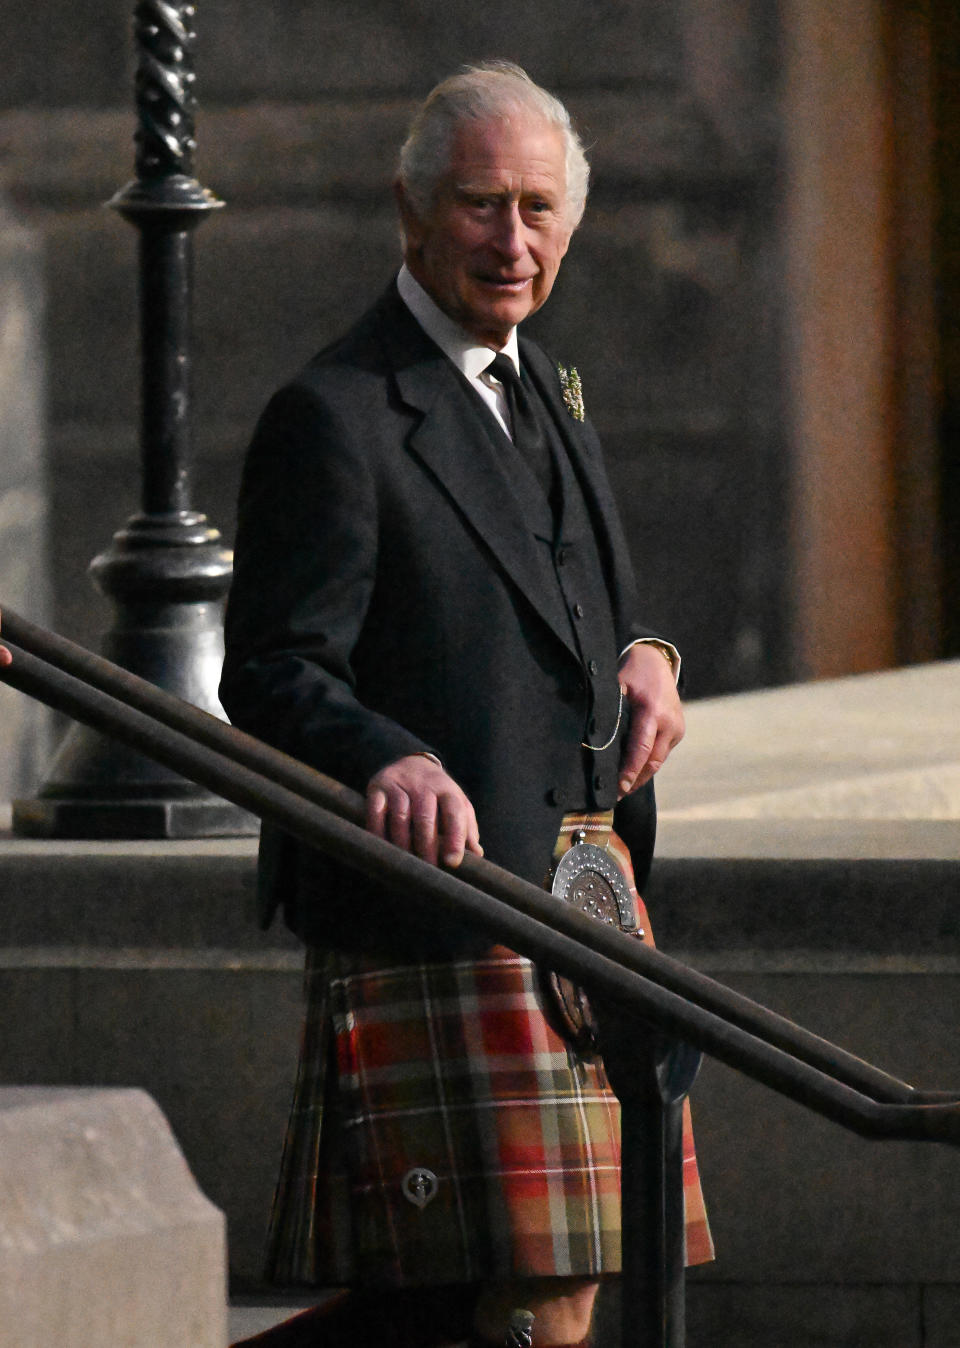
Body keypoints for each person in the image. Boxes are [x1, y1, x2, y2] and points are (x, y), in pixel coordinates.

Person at [220, 61, 712, 1348]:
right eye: (482, 206)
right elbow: (269, 670)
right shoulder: (333, 415)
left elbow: (581, 593)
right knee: (530, 1302)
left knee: (536, 1289)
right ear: (412, 210)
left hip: (589, 900)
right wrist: (382, 752)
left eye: (539, 210)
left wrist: (649, 653)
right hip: (446, 903)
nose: (514, 241)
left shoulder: (547, 386)